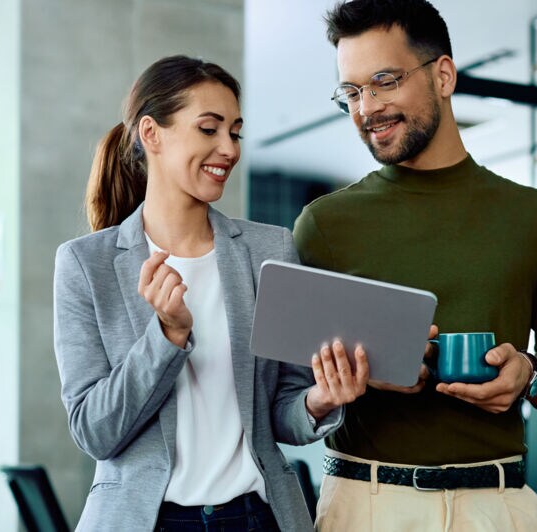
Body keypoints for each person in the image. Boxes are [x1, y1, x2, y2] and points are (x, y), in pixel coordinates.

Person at [292, 1, 537, 530]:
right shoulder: (324, 225)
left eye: (384, 81)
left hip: (497, 506)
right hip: (366, 505)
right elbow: (292, 390)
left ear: (443, 75)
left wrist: (530, 375)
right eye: (353, 92)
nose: (367, 108)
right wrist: (355, 377)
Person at [52, 55, 369, 531]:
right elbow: (95, 431)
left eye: (235, 132)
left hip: (255, 517)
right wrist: (167, 337)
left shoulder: (270, 248)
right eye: (209, 129)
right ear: (151, 134)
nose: (229, 148)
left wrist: (319, 401)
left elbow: (282, 410)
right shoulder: (85, 264)